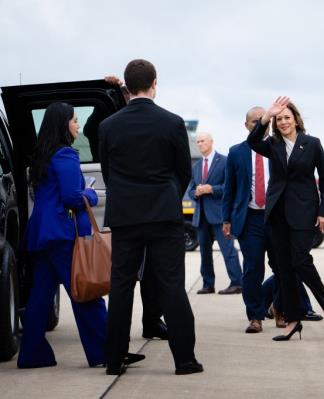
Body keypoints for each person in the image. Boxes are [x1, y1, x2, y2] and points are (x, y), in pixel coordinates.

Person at [17, 102, 143, 369]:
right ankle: (109, 352)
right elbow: (72, 197)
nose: (77, 125)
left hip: (42, 233)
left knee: (40, 296)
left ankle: (31, 354)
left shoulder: (42, 155)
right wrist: (91, 193)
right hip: (63, 234)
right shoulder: (65, 155)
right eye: (74, 121)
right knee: (85, 292)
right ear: (64, 124)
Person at [99, 59, 201, 375]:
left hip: (126, 217)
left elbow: (107, 171)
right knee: (171, 286)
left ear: (127, 86)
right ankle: (184, 360)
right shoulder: (172, 122)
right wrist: (167, 194)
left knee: (121, 287)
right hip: (163, 215)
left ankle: (114, 361)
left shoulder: (108, 126)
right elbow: (183, 170)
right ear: (154, 83)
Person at [247, 97, 324, 341]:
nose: (284, 122)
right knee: (283, 268)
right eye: (280, 119)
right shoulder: (272, 144)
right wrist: (266, 117)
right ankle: (293, 320)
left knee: (300, 261)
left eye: (287, 117)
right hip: (277, 213)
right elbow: (252, 141)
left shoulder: (312, 144)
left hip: (304, 212)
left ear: (297, 120)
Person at [222, 106, 321, 333]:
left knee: (283, 266)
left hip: (278, 217)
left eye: (264, 121)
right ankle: (255, 316)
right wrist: (227, 218)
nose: (260, 125)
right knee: (252, 269)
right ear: (246, 126)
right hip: (251, 219)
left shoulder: (279, 148)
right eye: (255, 122)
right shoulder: (236, 153)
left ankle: (280, 309)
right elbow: (230, 189)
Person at [104, 76, 168, 341]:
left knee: (151, 274)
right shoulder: (111, 120)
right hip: (143, 211)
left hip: (137, 210)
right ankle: (127, 336)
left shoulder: (155, 119)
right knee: (127, 277)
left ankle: (151, 321)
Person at [189, 132, 243, 295]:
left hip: (220, 216)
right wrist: (196, 192)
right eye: (198, 141)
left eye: (203, 141)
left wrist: (211, 189)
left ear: (211, 141)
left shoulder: (225, 161)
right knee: (204, 253)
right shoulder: (196, 166)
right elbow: (190, 189)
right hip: (202, 216)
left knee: (228, 251)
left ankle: (237, 283)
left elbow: (230, 186)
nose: (200, 144)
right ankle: (208, 284)